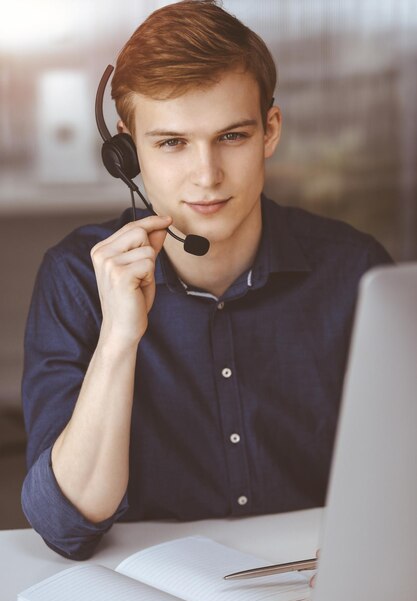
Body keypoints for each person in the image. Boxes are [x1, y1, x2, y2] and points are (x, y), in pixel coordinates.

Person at [21, 0, 392, 561]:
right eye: (171, 142)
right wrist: (120, 338)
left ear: (269, 130)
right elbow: (67, 525)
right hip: (149, 595)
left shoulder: (357, 271)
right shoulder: (78, 276)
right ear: (127, 152)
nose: (207, 175)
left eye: (232, 137)